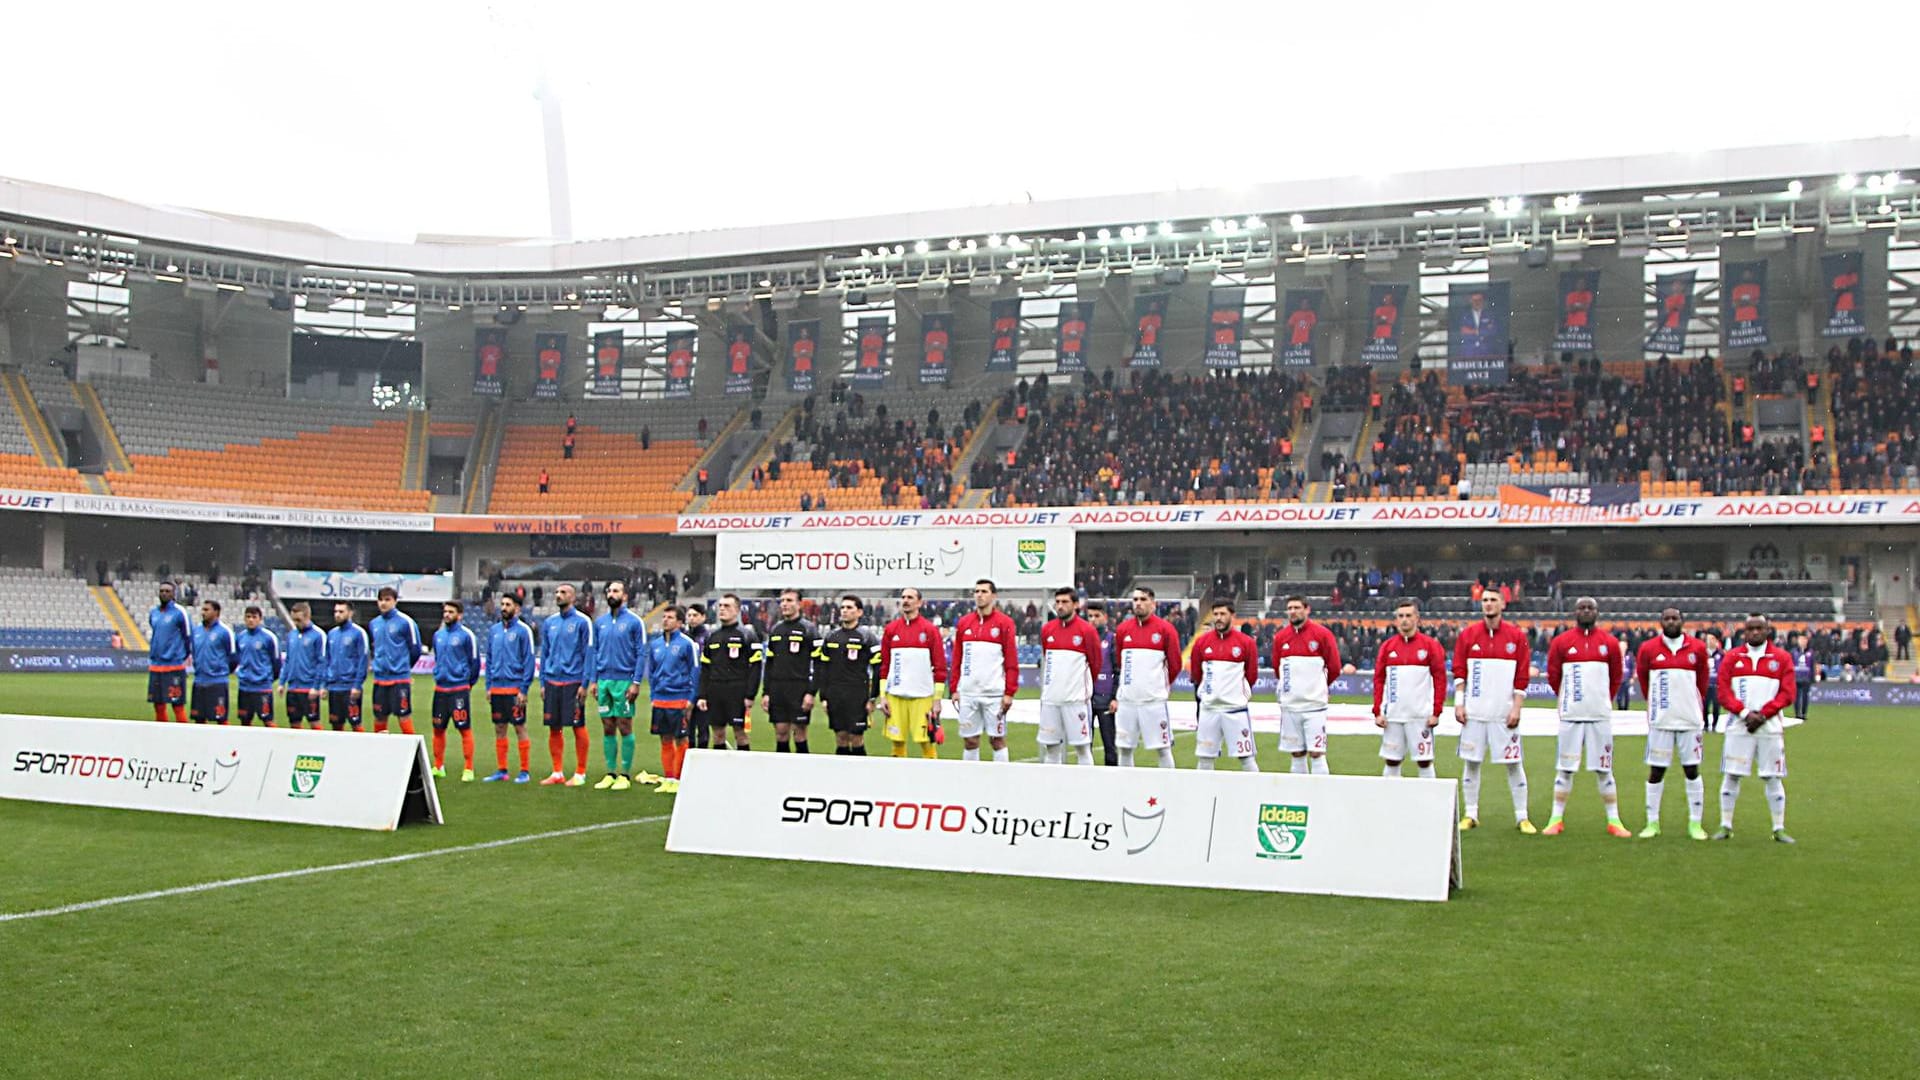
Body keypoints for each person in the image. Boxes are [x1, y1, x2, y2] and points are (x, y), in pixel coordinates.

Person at [1543, 598, 1630, 837]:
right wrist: (1568, 699)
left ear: (1597, 612)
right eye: (1582, 608)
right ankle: (1556, 818)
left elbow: (1615, 677)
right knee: (1565, 769)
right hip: (1571, 716)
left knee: (1604, 770)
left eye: (1590, 608)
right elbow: (1553, 675)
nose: (1586, 611)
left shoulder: (1609, 643)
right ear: (1575, 612)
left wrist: (1603, 700)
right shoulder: (1562, 642)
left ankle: (1614, 821)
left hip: (1599, 717)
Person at [1453, 592, 1535, 833]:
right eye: (1485, 600)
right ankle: (1471, 814)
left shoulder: (1516, 637)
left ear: (1502, 604)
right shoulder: (1468, 635)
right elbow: (1459, 671)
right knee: (1471, 762)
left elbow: (1522, 675)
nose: (1488, 604)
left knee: (1513, 763)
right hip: (1474, 713)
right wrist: (1459, 703)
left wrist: (1516, 707)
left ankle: (1522, 817)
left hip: (1503, 713)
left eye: (1492, 600)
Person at [1714, 614, 1796, 843]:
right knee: (1732, 774)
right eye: (1751, 629)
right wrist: (1744, 713)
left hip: (1769, 727)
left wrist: (1763, 714)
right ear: (1744, 632)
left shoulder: (1781, 658)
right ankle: (1725, 825)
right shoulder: (1732, 658)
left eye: (1760, 628)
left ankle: (1778, 828)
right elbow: (1723, 692)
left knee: (1773, 777)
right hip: (1739, 726)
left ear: (1768, 630)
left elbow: (1787, 693)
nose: (1756, 632)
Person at [1635, 607, 1711, 840]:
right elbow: (1644, 680)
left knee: (1691, 770)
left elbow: (1703, 682)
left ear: (1682, 621)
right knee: (1656, 771)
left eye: (1674, 618)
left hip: (1689, 721)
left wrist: (1692, 706)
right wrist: (1657, 706)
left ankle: (1695, 824)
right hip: (1661, 721)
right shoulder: (1648, 648)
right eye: (1666, 618)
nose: (1670, 622)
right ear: (1661, 622)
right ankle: (1652, 823)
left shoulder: (1697, 648)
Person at [1372, 598, 1445, 778]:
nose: (1404, 620)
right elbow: (1379, 680)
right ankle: (1391, 802)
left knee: (1424, 760)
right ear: (1396, 620)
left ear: (1417, 618)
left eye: (1408, 616)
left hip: (1420, 715)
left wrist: (1436, 711)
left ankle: (1429, 803)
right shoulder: (1387, 647)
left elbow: (1440, 679)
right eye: (1400, 616)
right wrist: (1377, 711)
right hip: (1394, 716)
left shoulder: (1430, 645)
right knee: (1392, 760)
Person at [1112, 586, 1183, 769]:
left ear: (1153, 603)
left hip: (1153, 702)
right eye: (1135, 600)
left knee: (1163, 748)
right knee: (1124, 748)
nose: (1138, 604)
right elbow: (1121, 662)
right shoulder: (1122, 630)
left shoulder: (1166, 629)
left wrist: (1159, 687)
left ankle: (1168, 787)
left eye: (1143, 599)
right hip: (1127, 701)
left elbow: (1175, 664)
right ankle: (1126, 787)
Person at [949, 579, 1019, 763]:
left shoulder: (1005, 623)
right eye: (976, 591)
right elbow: (957, 658)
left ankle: (1001, 781)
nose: (979, 595)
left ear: (993, 596)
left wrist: (1009, 692)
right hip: (968, 693)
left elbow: (1011, 660)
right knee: (970, 741)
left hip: (994, 694)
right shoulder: (964, 623)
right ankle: (971, 782)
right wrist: (955, 688)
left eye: (984, 591)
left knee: (997, 740)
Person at [1271, 594, 1342, 775]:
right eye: (1290, 608)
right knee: (1296, 753)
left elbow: (1334, 667)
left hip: (1314, 706)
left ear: (1307, 609)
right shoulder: (1280, 637)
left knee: (1317, 753)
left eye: (1297, 608)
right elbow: (1277, 668)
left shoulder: (1322, 635)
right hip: (1290, 706)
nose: (1293, 612)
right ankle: (1299, 795)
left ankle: (1320, 795)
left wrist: (1320, 688)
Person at [1189, 598, 1259, 771]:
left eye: (1223, 614)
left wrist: (1237, 695)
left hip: (1235, 710)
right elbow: (1197, 674)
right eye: (1216, 614)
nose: (1218, 618)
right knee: (1205, 758)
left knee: (1246, 758)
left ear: (1232, 616)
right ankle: (1203, 796)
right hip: (1209, 710)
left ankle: (1256, 793)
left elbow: (1251, 675)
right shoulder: (1201, 642)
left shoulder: (1246, 643)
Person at [592, 581, 650, 789]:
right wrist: (594, 680)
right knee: (607, 725)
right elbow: (594, 652)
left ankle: (624, 774)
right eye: (609, 591)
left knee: (624, 725)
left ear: (625, 596)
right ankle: (610, 772)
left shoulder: (635, 622)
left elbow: (641, 653)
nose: (611, 594)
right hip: (604, 681)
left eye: (616, 591)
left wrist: (635, 682)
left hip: (624, 680)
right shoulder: (600, 622)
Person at [878, 587, 948, 759]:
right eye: (903, 597)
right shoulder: (891, 629)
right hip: (895, 696)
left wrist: (937, 699)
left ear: (919, 603)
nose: (906, 601)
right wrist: (883, 695)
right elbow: (885, 665)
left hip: (922, 696)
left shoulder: (930, 630)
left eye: (910, 597)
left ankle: (931, 781)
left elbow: (940, 667)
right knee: (897, 743)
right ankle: (898, 781)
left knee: (926, 742)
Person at [1036, 586, 1101, 766]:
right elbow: (1046, 657)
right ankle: (1053, 789)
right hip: (1051, 700)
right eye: (1057, 602)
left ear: (1076, 605)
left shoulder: (1086, 631)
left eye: (1065, 602)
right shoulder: (1047, 629)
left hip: (1076, 701)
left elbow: (1095, 664)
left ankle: (1086, 788)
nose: (1060, 606)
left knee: (1082, 748)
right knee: (1051, 749)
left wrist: (1081, 690)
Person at [539, 584, 596, 786]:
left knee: (577, 726)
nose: (558, 595)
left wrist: (585, 682)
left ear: (573, 597)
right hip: (552, 681)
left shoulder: (583, 622)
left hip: (573, 682)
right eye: (556, 592)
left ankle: (580, 773)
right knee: (554, 727)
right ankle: (557, 772)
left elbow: (588, 654)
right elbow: (544, 653)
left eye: (563, 593)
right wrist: (543, 682)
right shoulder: (549, 623)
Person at [815, 595, 881, 757]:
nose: (844, 611)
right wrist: (824, 696)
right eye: (843, 607)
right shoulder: (831, 636)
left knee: (856, 737)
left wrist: (872, 698)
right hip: (835, 694)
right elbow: (823, 668)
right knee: (841, 737)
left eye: (849, 608)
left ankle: (861, 777)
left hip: (857, 694)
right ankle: (841, 778)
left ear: (859, 612)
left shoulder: (867, 637)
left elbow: (878, 668)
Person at [644, 605, 700, 794]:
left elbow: (695, 672)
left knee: (681, 739)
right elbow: (651, 672)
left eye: (670, 617)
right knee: (664, 739)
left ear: (679, 622)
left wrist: (691, 699)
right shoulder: (655, 644)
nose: (665, 620)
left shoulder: (687, 644)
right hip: (660, 699)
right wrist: (653, 695)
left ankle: (678, 779)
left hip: (679, 698)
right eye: (664, 616)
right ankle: (668, 777)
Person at [482, 594, 537, 783]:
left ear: (517, 609)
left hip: (514, 688)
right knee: (499, 728)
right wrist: (488, 685)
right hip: (497, 688)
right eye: (502, 604)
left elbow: (529, 660)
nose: (504, 608)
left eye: (508, 605)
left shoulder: (523, 631)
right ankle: (502, 770)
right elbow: (489, 660)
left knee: (519, 727)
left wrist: (523, 689)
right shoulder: (494, 631)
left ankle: (524, 771)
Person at [760, 589, 819, 754]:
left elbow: (818, 663)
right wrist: (766, 692)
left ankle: (803, 775)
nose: (784, 604)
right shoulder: (776, 629)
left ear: (799, 604)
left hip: (799, 688)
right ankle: (781, 775)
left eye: (789, 600)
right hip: (778, 689)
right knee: (780, 733)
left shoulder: (809, 629)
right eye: (782, 600)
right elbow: (769, 664)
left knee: (800, 734)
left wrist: (811, 692)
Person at [429, 602, 480, 781]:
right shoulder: (438, 635)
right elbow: (437, 657)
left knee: (463, 728)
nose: (447, 614)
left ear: (460, 615)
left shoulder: (467, 636)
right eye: (445, 611)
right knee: (438, 728)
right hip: (440, 689)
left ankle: (468, 768)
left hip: (459, 689)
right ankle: (438, 766)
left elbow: (474, 663)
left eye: (451, 612)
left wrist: (468, 684)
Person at [367, 587, 422, 736]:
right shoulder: (374, 624)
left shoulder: (406, 622)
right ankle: (379, 752)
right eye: (380, 600)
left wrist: (404, 667)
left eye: (387, 600)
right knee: (379, 717)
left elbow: (416, 649)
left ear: (395, 601)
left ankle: (413, 754)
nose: (383, 603)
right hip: (379, 679)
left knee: (403, 715)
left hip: (399, 679)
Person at [146, 581, 191, 723]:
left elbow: (188, 636)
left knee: (177, 705)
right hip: (156, 665)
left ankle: (184, 737)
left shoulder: (180, 612)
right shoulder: (153, 613)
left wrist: (183, 656)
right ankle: (161, 737)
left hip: (174, 666)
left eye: (167, 591)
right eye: (162, 591)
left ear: (173, 594)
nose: (164, 593)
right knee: (158, 705)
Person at [280, 602, 328, 731]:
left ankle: (319, 748)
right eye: (294, 619)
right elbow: (288, 660)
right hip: (292, 687)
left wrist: (316, 687)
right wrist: (282, 682)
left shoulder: (318, 635)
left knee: (314, 722)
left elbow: (322, 663)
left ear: (307, 617)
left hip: (309, 688)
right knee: (294, 723)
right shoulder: (291, 635)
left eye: (299, 620)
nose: (296, 623)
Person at [233, 605, 282, 727]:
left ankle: (274, 745)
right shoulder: (240, 637)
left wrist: (267, 679)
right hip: (244, 687)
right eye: (248, 617)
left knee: (268, 721)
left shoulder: (269, 637)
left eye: (254, 617)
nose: (251, 620)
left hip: (262, 687)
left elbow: (277, 663)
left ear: (260, 619)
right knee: (244, 721)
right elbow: (237, 658)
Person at [189, 600, 236, 724]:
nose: (202, 612)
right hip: (199, 681)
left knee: (220, 719)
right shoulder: (196, 631)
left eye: (206, 610)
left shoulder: (225, 632)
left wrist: (221, 671)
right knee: (199, 720)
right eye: (202, 609)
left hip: (217, 682)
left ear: (216, 612)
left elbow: (233, 657)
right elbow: (194, 652)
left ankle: (226, 742)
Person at [325, 601, 369, 732]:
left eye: (341, 612)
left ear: (350, 613)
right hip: (334, 687)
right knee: (336, 724)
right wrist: (325, 684)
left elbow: (363, 660)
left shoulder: (358, 633)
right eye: (336, 612)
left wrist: (357, 685)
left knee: (355, 723)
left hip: (350, 687)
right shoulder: (331, 634)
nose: (337, 615)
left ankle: (361, 750)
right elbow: (327, 660)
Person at [1086, 604, 1118, 765]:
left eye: (1096, 616)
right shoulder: (1083, 638)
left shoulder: (1112, 639)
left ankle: (1112, 780)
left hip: (1106, 699)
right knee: (1085, 744)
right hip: (1086, 699)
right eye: (1090, 616)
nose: (1093, 619)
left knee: (1109, 744)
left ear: (1105, 618)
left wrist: (1115, 697)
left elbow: (1118, 669)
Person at [682, 604, 713, 750]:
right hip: (686, 685)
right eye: (689, 615)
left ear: (703, 617)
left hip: (704, 686)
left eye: (695, 615)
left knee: (703, 725)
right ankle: (688, 759)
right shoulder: (683, 637)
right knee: (687, 726)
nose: (692, 619)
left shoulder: (708, 637)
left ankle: (702, 756)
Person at [1788, 632, 1815, 722]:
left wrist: (1813, 677)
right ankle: (1797, 714)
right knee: (1796, 697)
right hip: (1796, 678)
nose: (1802, 642)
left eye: (1804, 640)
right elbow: (1790, 665)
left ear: (1807, 641)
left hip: (1806, 678)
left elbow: (1812, 665)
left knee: (1805, 697)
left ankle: (1803, 713)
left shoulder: (1810, 652)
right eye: (1800, 640)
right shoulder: (1793, 652)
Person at [1702, 632, 1725, 731]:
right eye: (1708, 639)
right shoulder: (1703, 653)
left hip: (1716, 685)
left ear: (1716, 641)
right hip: (1706, 684)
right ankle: (1706, 725)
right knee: (1705, 706)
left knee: (1716, 705)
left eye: (1712, 639)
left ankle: (1715, 725)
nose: (1709, 641)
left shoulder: (1721, 654)